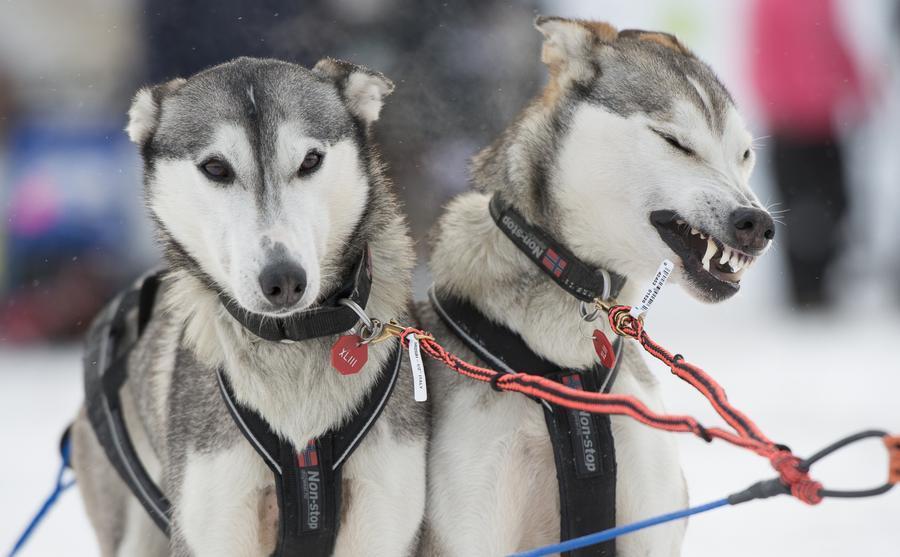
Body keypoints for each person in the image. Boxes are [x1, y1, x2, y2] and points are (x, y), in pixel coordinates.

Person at [750, 0, 866, 308]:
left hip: (825, 121)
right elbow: (762, 53)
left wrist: (857, 86)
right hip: (788, 125)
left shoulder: (823, 4)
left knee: (838, 203)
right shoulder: (768, 6)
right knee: (797, 210)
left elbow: (836, 43)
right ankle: (803, 290)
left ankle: (825, 278)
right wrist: (774, 102)